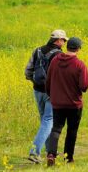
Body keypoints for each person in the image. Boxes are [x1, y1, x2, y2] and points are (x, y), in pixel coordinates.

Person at [23, 29, 67, 164]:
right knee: (49, 120)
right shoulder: (59, 55)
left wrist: (36, 83)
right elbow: (60, 77)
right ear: (58, 40)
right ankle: (34, 152)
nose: (64, 42)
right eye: (64, 40)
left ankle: (50, 151)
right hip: (51, 92)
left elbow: (28, 71)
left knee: (45, 120)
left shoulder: (37, 50)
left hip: (37, 91)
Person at [45, 37, 88, 166]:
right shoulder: (79, 65)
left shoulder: (55, 61)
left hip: (57, 102)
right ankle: (68, 157)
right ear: (78, 49)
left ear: (67, 47)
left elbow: (48, 80)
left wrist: (51, 95)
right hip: (74, 104)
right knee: (72, 130)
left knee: (56, 128)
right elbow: (84, 86)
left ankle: (51, 154)